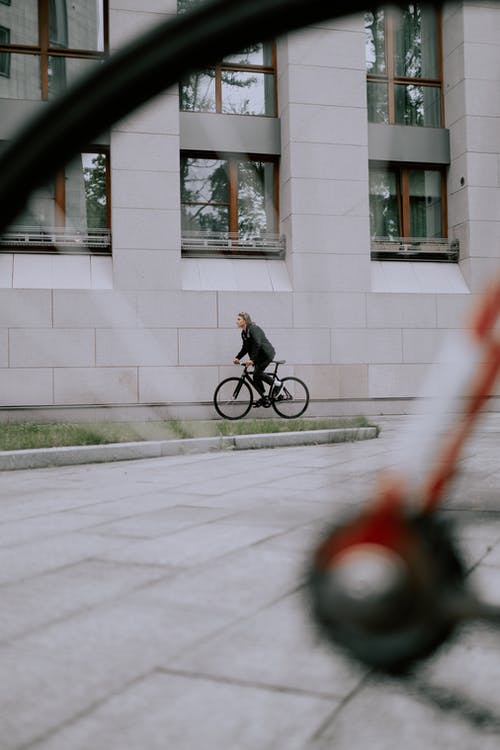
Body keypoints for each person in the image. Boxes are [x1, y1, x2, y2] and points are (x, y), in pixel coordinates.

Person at [233, 312, 283, 407]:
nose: (237, 321)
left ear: (245, 320)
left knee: (257, 373)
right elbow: (245, 348)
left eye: (239, 319)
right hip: (259, 356)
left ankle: (278, 384)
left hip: (266, 354)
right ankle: (264, 397)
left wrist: (252, 359)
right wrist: (237, 357)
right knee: (255, 376)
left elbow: (257, 344)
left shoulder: (253, 329)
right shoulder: (244, 333)